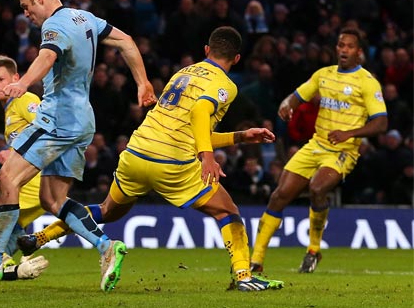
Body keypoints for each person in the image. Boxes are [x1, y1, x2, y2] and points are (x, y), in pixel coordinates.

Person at [19, 26, 284, 292]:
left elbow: (191, 129)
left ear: (206, 50)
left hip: (136, 152)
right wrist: (207, 157)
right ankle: (243, 277)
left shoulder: (184, 73)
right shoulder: (225, 84)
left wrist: (239, 136)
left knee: (107, 210)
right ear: (237, 59)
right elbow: (201, 113)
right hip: (171, 163)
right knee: (228, 212)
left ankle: (39, 237)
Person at [0, 0, 156, 293]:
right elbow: (127, 41)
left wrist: (23, 82)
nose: (25, 14)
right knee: (52, 198)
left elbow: (46, 56)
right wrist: (142, 82)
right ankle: (106, 247)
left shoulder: (54, 25)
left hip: (57, 119)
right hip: (83, 121)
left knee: (7, 179)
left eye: (25, 7)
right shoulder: (85, 17)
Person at [250, 27, 388, 273]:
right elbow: (296, 96)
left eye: (349, 46)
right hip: (315, 145)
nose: (343, 50)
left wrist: (350, 134)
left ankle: (313, 250)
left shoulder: (367, 82)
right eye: (340, 45)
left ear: (359, 52)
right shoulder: (323, 75)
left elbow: (381, 122)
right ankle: (256, 260)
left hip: (343, 151)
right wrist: (286, 105)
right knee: (280, 195)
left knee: (317, 187)